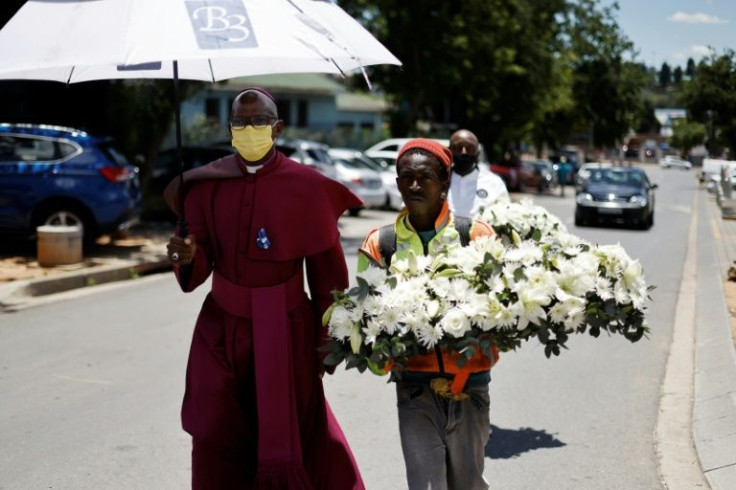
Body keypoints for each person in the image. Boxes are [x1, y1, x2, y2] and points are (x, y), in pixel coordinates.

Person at [163, 87, 365, 489]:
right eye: (240, 122)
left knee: (295, 431)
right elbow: (197, 269)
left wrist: (329, 341)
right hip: (220, 332)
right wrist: (184, 258)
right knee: (216, 431)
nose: (249, 129)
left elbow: (328, 278)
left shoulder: (307, 187)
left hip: (286, 332)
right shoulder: (203, 186)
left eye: (258, 121)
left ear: (277, 127)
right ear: (229, 129)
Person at [357, 138, 500, 490]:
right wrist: (381, 355)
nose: (414, 186)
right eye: (406, 178)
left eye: (424, 177)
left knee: (467, 483)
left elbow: (502, 311)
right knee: (425, 485)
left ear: (445, 183)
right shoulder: (381, 244)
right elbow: (364, 315)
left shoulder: (475, 235)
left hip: (469, 388)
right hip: (413, 389)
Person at [446, 129, 508, 217]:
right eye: (458, 147)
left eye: (469, 148)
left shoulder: (495, 183)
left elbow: (504, 217)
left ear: (478, 152)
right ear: (449, 151)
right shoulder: (439, 181)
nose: (464, 152)